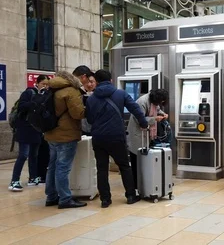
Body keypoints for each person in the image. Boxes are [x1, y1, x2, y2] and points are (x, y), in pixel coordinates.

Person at [86, 70, 149, 208]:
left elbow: (89, 119)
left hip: (99, 137)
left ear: (96, 81)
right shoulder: (121, 94)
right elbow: (135, 109)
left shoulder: (91, 99)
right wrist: (144, 123)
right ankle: (131, 196)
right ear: (111, 80)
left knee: (102, 168)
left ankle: (105, 200)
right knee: (124, 166)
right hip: (116, 136)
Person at [44, 71, 86, 209]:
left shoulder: (51, 89)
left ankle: (51, 196)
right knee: (63, 167)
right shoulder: (71, 90)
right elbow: (77, 114)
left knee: (52, 166)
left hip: (51, 133)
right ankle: (65, 199)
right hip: (66, 135)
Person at [8, 75, 50, 191]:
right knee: (23, 155)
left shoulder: (46, 95)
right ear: (38, 83)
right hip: (25, 128)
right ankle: (14, 180)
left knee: (34, 155)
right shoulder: (29, 93)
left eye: (47, 85)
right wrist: (35, 102)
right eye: (43, 84)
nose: (45, 86)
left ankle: (33, 177)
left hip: (36, 129)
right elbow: (22, 106)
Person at [126, 89, 169, 190]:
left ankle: (144, 182)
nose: (160, 104)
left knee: (144, 159)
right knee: (136, 159)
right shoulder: (142, 102)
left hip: (145, 133)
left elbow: (157, 109)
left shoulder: (153, 100)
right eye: (161, 101)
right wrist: (154, 119)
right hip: (137, 133)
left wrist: (163, 114)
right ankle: (136, 185)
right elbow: (138, 118)